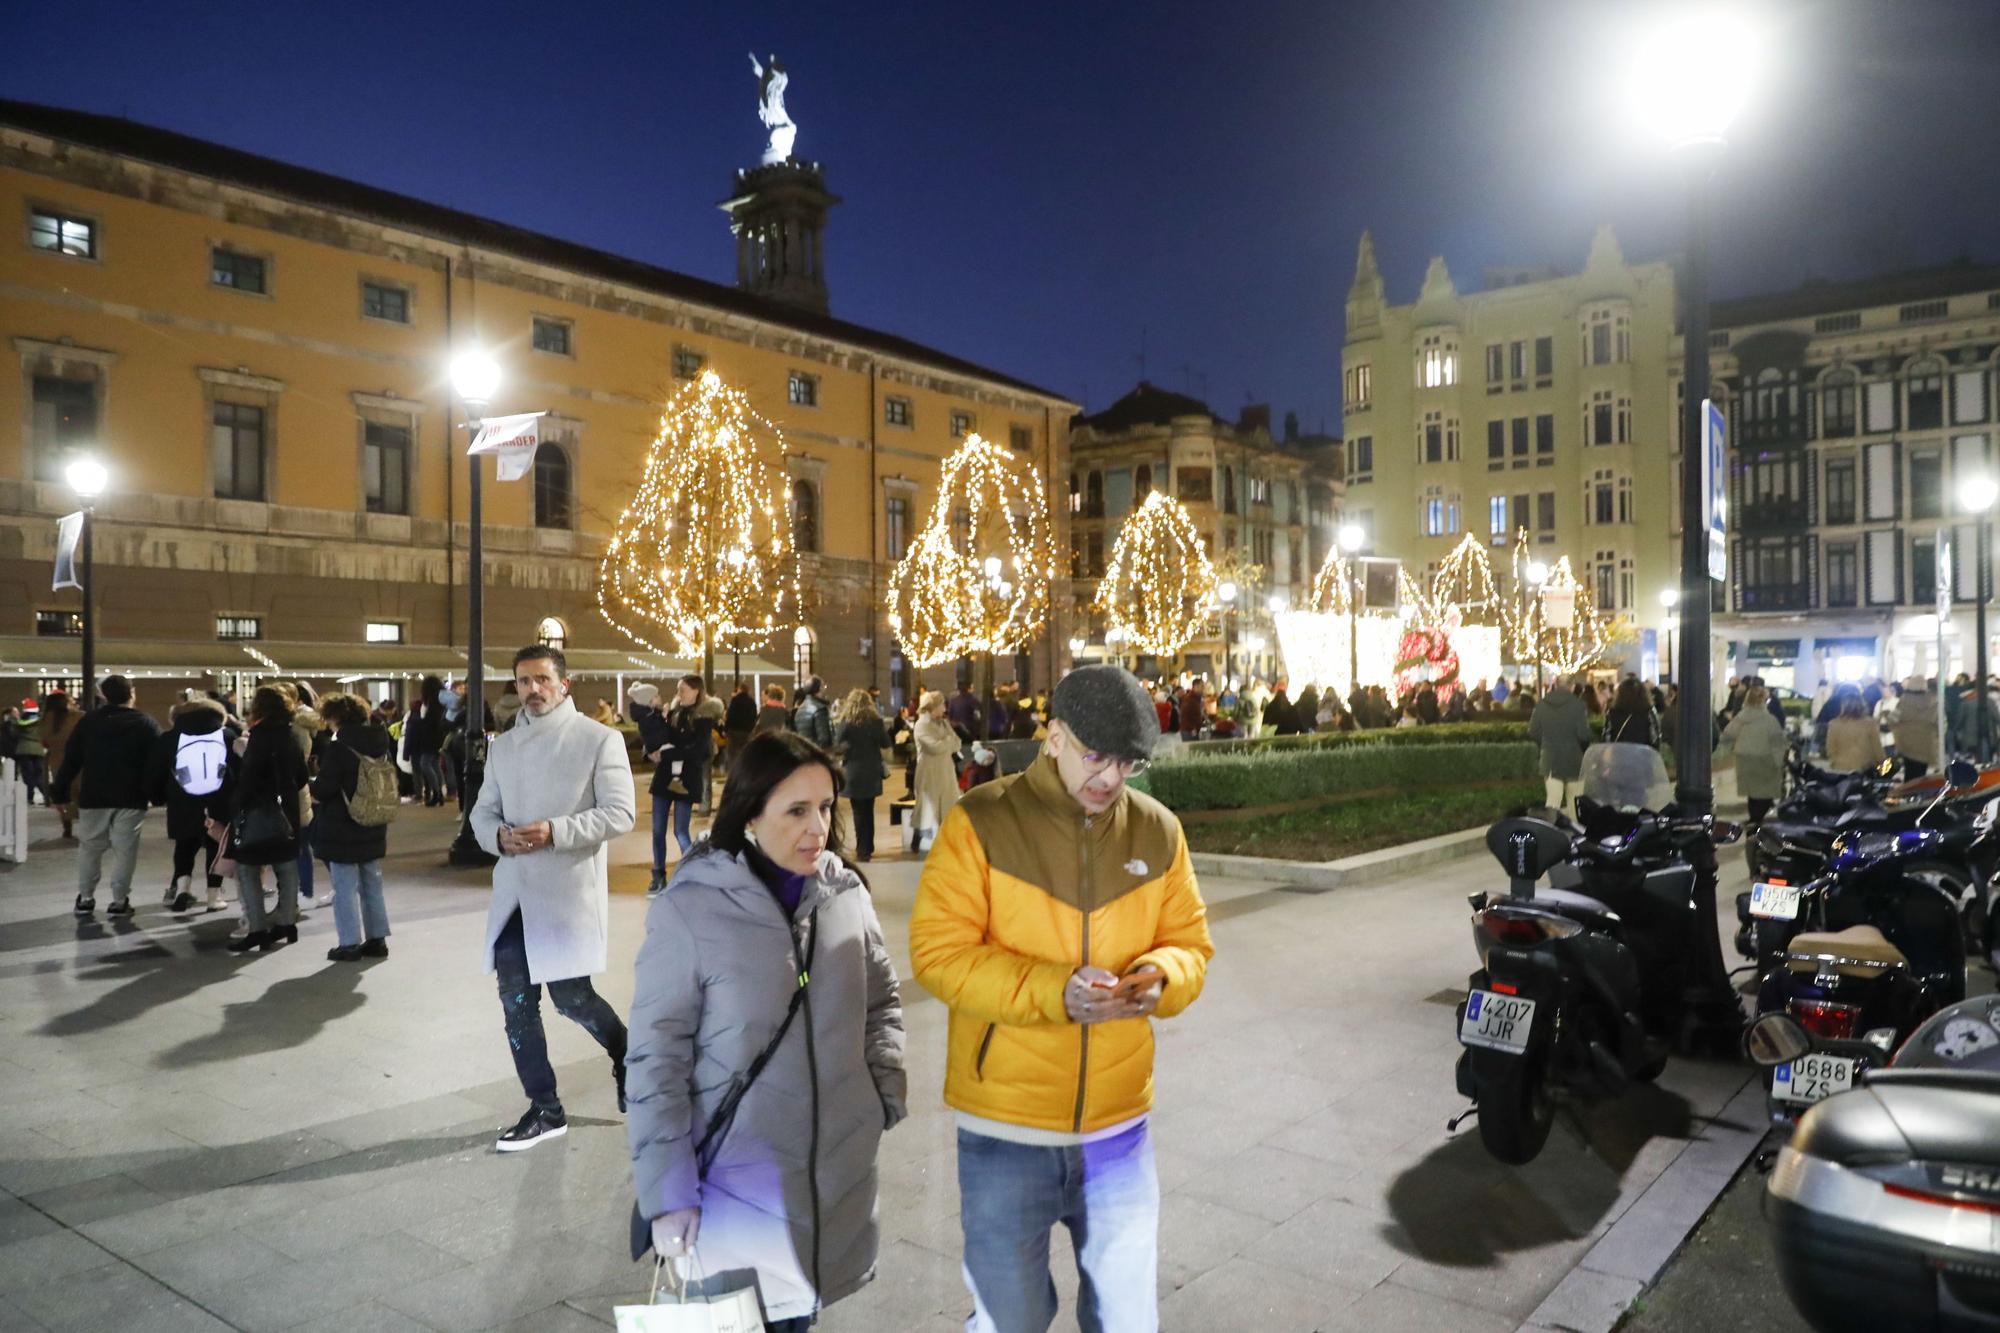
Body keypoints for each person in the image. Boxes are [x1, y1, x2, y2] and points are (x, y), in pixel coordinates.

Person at [909, 663, 1214, 1332]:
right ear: (1054, 737)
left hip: (1118, 1127)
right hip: (1003, 1126)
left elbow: (1191, 944)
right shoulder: (981, 820)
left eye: (1127, 762)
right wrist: (1055, 991)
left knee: (1126, 1316)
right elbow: (938, 954)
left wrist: (1162, 976)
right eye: (1095, 754)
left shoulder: (1159, 830)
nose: (1109, 777)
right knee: (1009, 1315)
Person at [625, 730, 907, 1331]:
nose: (819, 828)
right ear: (751, 814)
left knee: (801, 1312)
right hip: (734, 1188)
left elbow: (881, 1001)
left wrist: (882, 1094)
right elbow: (655, 1061)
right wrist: (668, 1193)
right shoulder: (692, 908)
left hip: (831, 1176)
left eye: (826, 807)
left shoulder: (844, 892)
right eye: (797, 811)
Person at [472, 644, 636, 1150]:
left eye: (542, 679)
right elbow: (482, 813)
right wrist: (497, 837)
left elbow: (620, 814)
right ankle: (545, 1108)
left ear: (564, 684)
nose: (533, 690)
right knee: (516, 1003)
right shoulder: (502, 748)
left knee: (572, 998)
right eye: (524, 681)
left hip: (565, 895)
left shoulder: (598, 739)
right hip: (515, 898)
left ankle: (627, 1051)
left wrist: (556, 831)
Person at [52, 675, 160, 918]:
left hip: (94, 794)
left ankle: (86, 897)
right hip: (131, 796)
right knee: (125, 850)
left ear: (103, 695)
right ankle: (119, 900)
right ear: (131, 693)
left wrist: (59, 792)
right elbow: (156, 762)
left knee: (89, 848)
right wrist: (155, 793)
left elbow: (71, 760)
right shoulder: (145, 723)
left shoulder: (89, 722)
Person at [311, 691, 396, 961]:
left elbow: (325, 789)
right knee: (372, 881)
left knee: (345, 885)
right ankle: (377, 939)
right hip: (373, 819)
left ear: (335, 718)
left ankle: (348, 943)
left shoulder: (339, 748)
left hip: (342, 825)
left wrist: (312, 783)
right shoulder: (381, 742)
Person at [227, 685, 309, 952]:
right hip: (287, 812)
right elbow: (302, 777)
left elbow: (249, 779)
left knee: (248, 870)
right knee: (286, 867)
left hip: (258, 813)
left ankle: (257, 929)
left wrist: (236, 805)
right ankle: (287, 922)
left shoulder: (259, 737)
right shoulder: (291, 735)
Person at [146, 692, 237, 913]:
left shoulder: (170, 737)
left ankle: (182, 888)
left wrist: (157, 796)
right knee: (216, 846)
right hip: (219, 800)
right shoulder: (227, 735)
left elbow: (154, 771)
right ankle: (213, 897)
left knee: (184, 846)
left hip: (182, 800)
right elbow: (237, 770)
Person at [1717, 685, 1789, 824]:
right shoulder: (1769, 720)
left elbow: (1726, 735)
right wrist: (1779, 761)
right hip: (1764, 759)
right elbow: (1777, 743)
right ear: (1764, 701)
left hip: (1744, 759)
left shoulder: (1741, 717)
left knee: (1752, 793)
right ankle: (1758, 820)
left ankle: (1754, 820)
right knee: (1765, 793)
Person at [834, 687, 888, 862]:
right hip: (871, 770)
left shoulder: (846, 722)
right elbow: (886, 743)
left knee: (858, 811)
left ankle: (861, 850)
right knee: (869, 809)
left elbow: (837, 745)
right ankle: (868, 847)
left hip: (853, 771)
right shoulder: (875, 721)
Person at [1528, 673, 1593, 814]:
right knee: (1575, 804)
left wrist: (1545, 744)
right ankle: (1576, 834)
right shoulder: (1579, 705)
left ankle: (1549, 833)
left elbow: (1533, 731)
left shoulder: (1542, 704)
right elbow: (1584, 735)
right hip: (1574, 760)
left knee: (1553, 801)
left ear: (1555, 685)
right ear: (1572, 686)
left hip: (1550, 760)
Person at [911, 689, 962, 855]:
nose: (944, 709)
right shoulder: (921, 725)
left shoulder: (943, 723)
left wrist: (947, 742)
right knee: (927, 805)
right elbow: (934, 747)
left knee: (948, 804)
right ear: (932, 707)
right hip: (929, 771)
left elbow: (957, 744)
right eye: (941, 705)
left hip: (946, 770)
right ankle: (917, 840)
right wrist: (947, 741)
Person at [404, 676, 447, 807]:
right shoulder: (441, 701)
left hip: (430, 739)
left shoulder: (432, 703)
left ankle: (437, 792)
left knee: (425, 764)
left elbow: (430, 722)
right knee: (434, 765)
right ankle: (439, 792)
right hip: (439, 738)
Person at [1891, 676, 1940, 780]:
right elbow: (1941, 725)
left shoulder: (1903, 701)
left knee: (1909, 773)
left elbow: (1893, 719)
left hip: (1906, 744)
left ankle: (1909, 794)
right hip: (1926, 744)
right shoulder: (1934, 702)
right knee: (1921, 774)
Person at [1826, 693, 1887, 773]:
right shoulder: (1870, 723)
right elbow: (1877, 748)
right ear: (1861, 705)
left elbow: (1830, 748)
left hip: (1841, 768)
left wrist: (1834, 762)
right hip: (1865, 768)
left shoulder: (1834, 724)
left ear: (1843, 706)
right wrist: (1883, 767)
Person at [1604, 677, 1661, 747]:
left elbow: (1606, 738)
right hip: (1643, 755)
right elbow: (1655, 738)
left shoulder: (1612, 712)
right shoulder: (1649, 711)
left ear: (1620, 694)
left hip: (1618, 755)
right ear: (1643, 693)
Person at [723, 680, 758, 768]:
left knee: (733, 753)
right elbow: (754, 716)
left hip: (734, 731)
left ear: (740, 689)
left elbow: (730, 715)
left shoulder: (735, 700)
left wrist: (726, 729)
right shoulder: (751, 701)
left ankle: (733, 770)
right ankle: (744, 769)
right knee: (745, 752)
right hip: (747, 731)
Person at [1177, 677, 1207, 741]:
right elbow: (1185, 715)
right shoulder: (1189, 699)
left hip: (1193, 730)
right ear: (1195, 686)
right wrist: (1193, 729)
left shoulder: (1197, 699)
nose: (1203, 689)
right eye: (1202, 686)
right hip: (1189, 731)